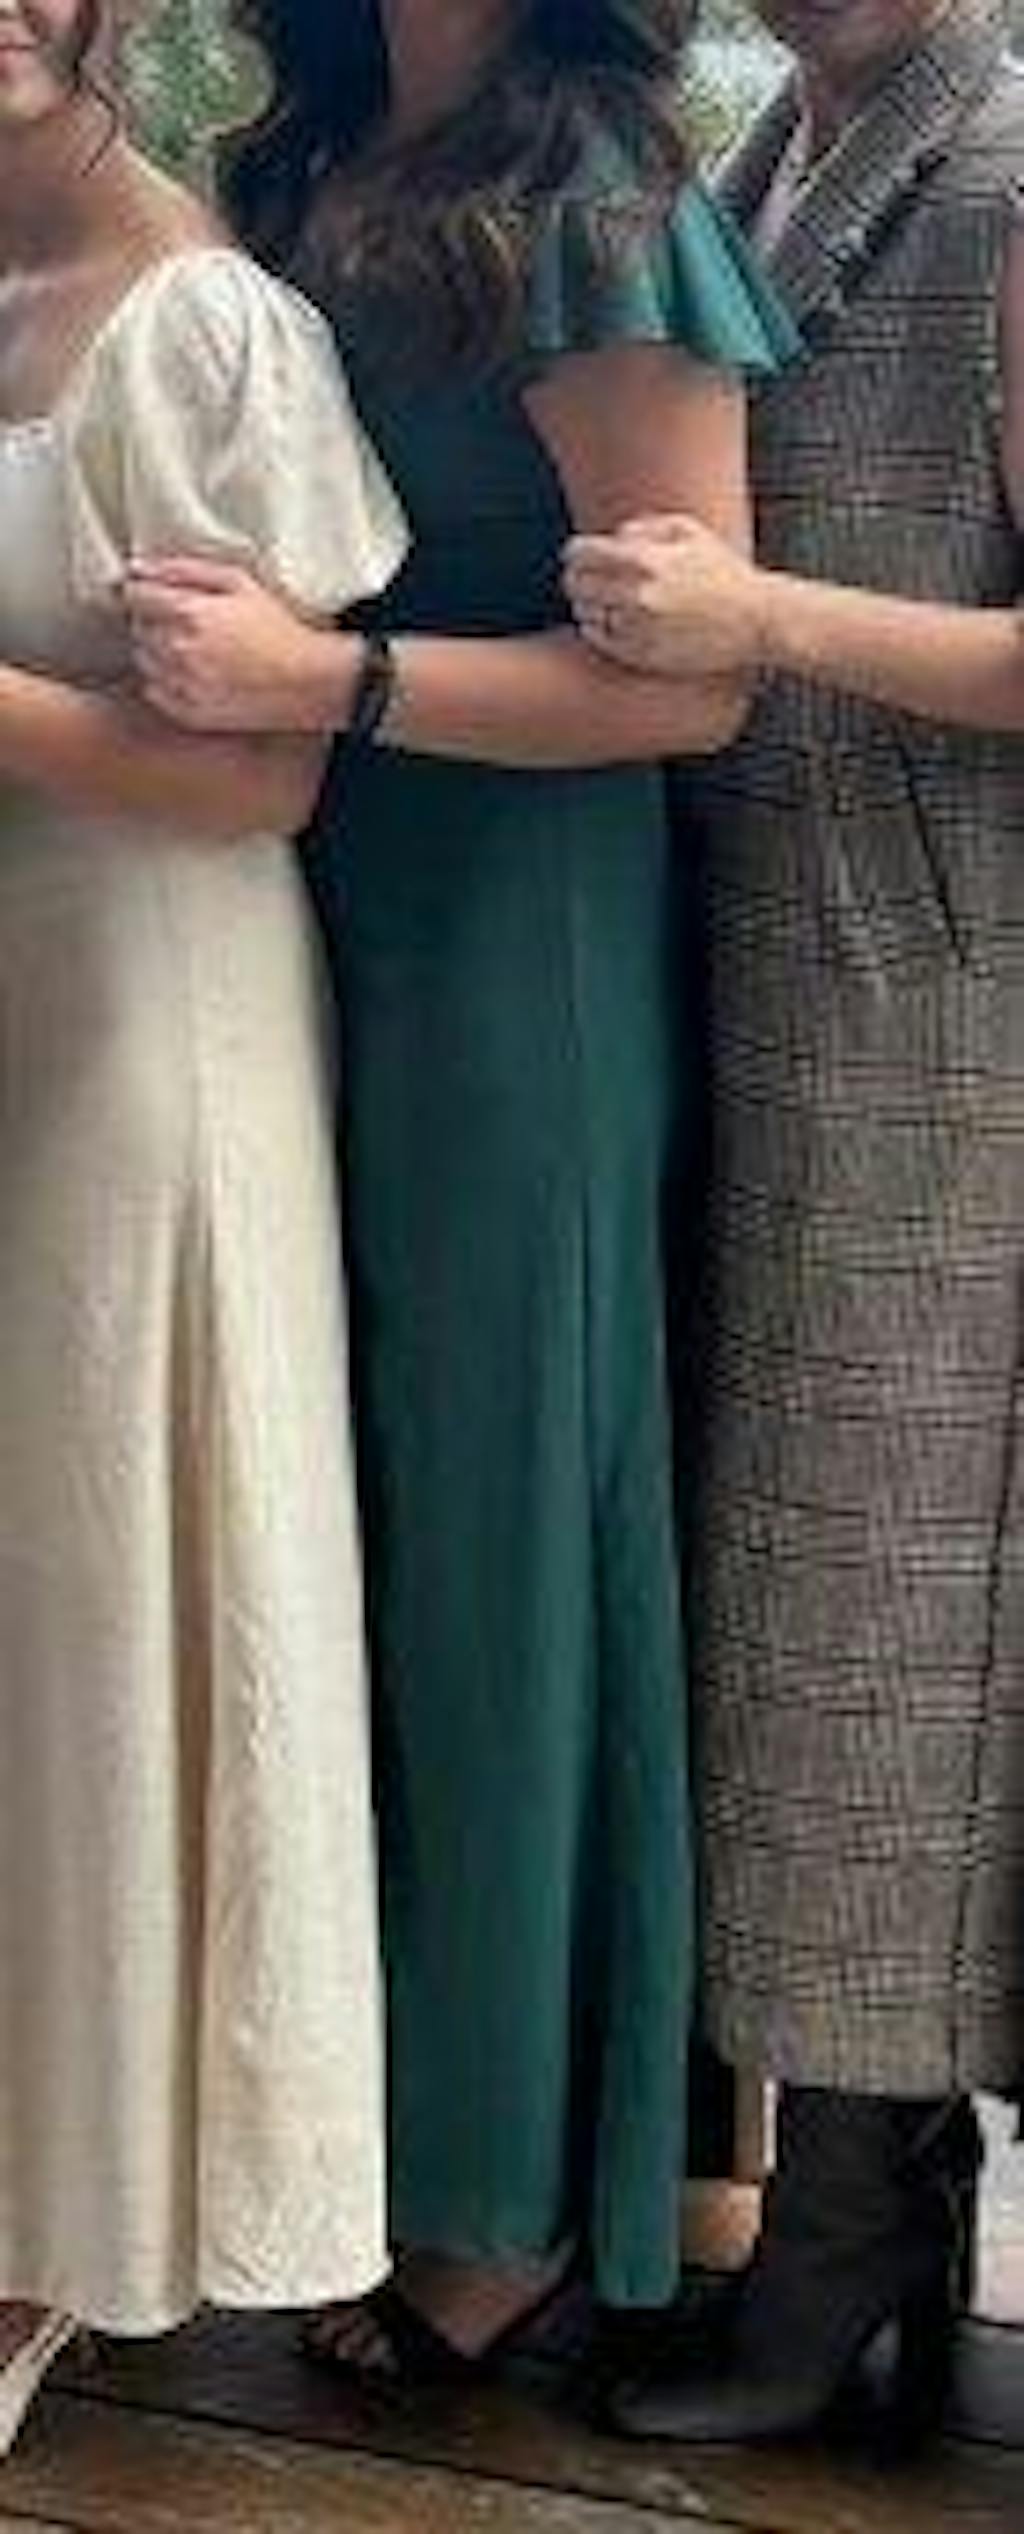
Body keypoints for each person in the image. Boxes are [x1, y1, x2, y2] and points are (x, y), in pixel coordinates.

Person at [126, 0, 798, 2379]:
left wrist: (336, 683)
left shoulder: (597, 185)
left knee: (505, 1547)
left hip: (521, 942)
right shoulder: (291, 153)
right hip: (284, 905)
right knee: (349, 1533)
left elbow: (688, 679)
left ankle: (506, 2194)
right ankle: (331, 2123)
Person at [566, 0, 1024, 2444]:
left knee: (881, 1624)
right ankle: (843, 2207)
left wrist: (770, 623)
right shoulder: (767, 152)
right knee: (799, 1617)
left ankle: (849, 2237)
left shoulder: (1006, 176)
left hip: (936, 1026)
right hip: (776, 983)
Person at [0, 0, 409, 2456]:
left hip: (147, 1019)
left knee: (108, 1586)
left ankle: (61, 2226)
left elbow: (256, 772)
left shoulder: (204, 323)